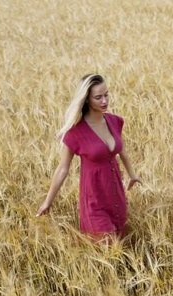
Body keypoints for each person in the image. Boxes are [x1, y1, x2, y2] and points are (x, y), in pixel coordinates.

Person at [36, 74, 141, 244]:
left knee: (120, 247)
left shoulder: (114, 121)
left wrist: (132, 174)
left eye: (106, 94)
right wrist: (48, 202)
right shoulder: (75, 132)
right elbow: (63, 169)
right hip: (94, 199)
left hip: (115, 195)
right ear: (86, 100)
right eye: (98, 97)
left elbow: (121, 150)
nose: (104, 100)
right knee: (105, 245)